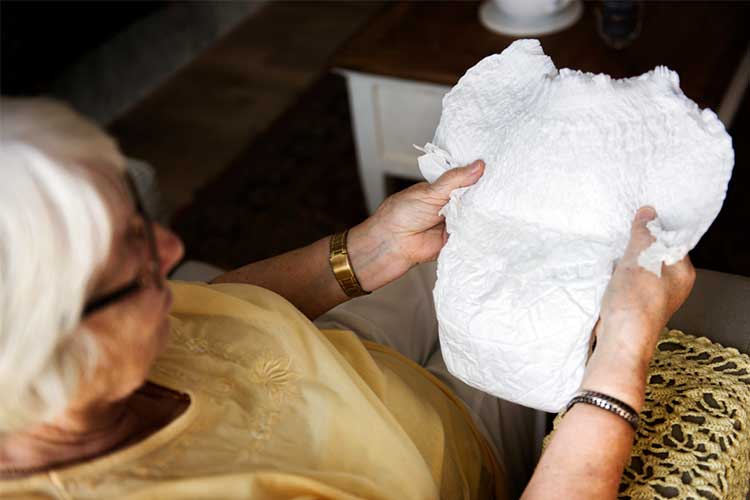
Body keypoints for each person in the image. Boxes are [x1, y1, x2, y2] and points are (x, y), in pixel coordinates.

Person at [0, 98, 695, 499]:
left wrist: (367, 251)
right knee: (589, 283)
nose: (173, 251)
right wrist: (622, 361)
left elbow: (202, 318)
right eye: (141, 264)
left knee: (479, 229)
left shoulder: (80, 362)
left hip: (344, 348)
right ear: (59, 347)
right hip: (459, 450)